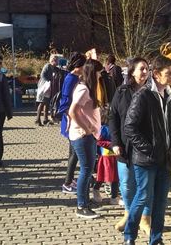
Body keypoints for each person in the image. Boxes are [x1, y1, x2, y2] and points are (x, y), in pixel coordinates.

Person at [123, 55, 171, 245]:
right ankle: (129, 236)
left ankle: (156, 239)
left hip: (164, 160)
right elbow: (130, 127)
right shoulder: (143, 95)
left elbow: (169, 128)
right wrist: (150, 150)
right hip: (146, 160)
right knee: (143, 197)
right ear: (156, 74)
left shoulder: (169, 96)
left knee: (161, 202)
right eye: (169, 73)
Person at [109, 57, 151, 233]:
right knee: (126, 183)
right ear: (132, 71)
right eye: (141, 69)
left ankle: (145, 218)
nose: (144, 72)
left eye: (146, 69)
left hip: (145, 146)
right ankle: (129, 213)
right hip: (125, 147)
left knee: (146, 184)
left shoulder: (151, 92)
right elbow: (113, 117)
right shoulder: (122, 91)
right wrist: (115, 142)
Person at [68, 58, 102, 219]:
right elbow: (72, 111)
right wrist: (86, 128)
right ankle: (81, 205)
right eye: (99, 73)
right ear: (92, 73)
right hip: (82, 136)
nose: (100, 76)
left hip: (89, 136)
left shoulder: (88, 89)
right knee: (86, 170)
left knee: (88, 170)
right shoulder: (84, 89)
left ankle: (86, 200)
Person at [58, 52, 86, 193]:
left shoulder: (74, 77)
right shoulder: (71, 78)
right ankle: (67, 183)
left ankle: (69, 180)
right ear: (79, 66)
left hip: (72, 119)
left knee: (73, 153)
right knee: (74, 153)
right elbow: (65, 100)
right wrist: (72, 115)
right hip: (71, 120)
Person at [35, 54, 58, 126]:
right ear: (51, 60)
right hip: (44, 87)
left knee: (47, 103)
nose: (56, 62)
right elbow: (43, 75)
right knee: (42, 102)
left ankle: (45, 119)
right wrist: (49, 81)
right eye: (55, 60)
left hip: (49, 87)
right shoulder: (47, 66)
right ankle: (37, 119)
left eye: (56, 60)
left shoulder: (54, 67)